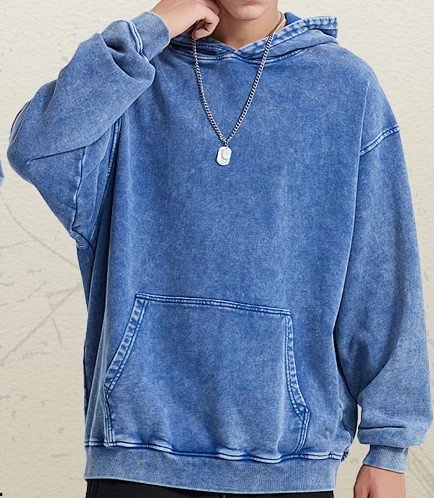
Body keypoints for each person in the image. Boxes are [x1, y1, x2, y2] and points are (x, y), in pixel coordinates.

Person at [6, 0, 433, 497]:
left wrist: (389, 447)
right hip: (138, 457)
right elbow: (36, 147)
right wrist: (149, 30)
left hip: (285, 457)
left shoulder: (345, 87)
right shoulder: (133, 80)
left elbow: (382, 271)